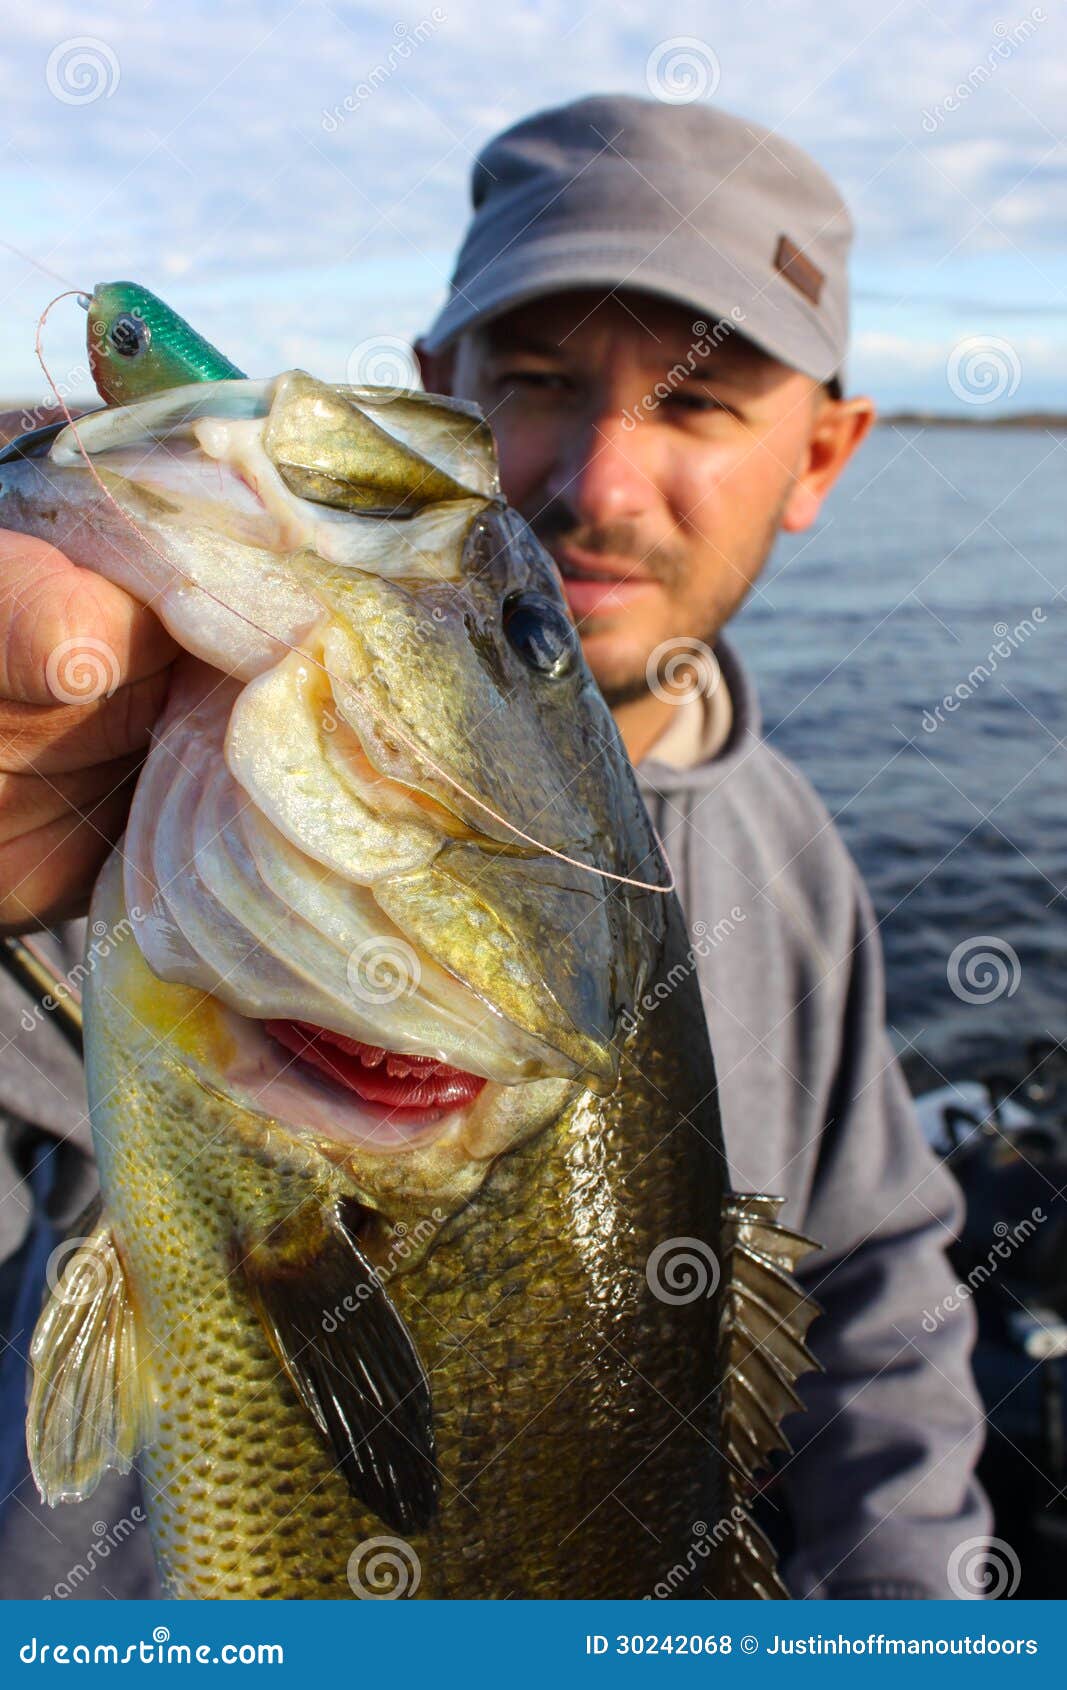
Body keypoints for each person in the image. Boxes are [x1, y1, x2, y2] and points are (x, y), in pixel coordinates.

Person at [0, 95, 990, 1600]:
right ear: (434, 392)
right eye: (535, 379)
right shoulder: (120, 796)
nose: (598, 482)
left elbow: (881, 1297)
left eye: (702, 401)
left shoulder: (798, 869)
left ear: (826, 454)